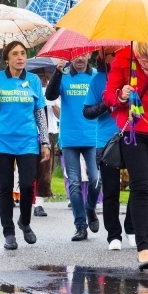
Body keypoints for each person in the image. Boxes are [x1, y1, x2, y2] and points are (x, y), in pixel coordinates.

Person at [0, 40, 51, 250]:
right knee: (5, 187)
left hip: (27, 140)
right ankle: (8, 232)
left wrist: (45, 141)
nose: (20, 57)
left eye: (23, 53)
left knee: (28, 185)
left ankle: (25, 222)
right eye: (15, 54)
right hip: (1, 140)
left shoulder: (34, 80)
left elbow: (40, 113)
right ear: (6, 59)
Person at [103, 43, 148, 270]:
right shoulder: (124, 57)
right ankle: (143, 249)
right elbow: (108, 97)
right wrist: (121, 95)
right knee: (142, 187)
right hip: (134, 130)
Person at [83, 47, 133, 251]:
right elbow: (87, 112)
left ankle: (132, 228)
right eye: (110, 53)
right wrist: (109, 101)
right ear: (101, 55)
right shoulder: (97, 80)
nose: (115, 56)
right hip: (106, 141)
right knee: (111, 190)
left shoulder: (133, 75)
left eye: (118, 52)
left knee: (139, 187)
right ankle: (113, 234)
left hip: (133, 137)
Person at [46, 54, 100, 241]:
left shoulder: (96, 76)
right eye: (76, 55)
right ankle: (80, 225)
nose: (80, 58)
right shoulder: (64, 75)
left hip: (93, 136)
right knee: (75, 183)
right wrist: (57, 73)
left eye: (83, 54)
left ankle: (90, 208)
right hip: (70, 138)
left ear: (89, 54)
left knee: (96, 179)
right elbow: (50, 96)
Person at [34, 72, 59, 216]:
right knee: (29, 170)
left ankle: (39, 204)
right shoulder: (30, 92)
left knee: (44, 170)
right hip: (30, 135)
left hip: (47, 136)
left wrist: (52, 103)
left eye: (45, 77)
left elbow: (59, 115)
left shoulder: (51, 94)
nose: (44, 80)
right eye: (40, 77)